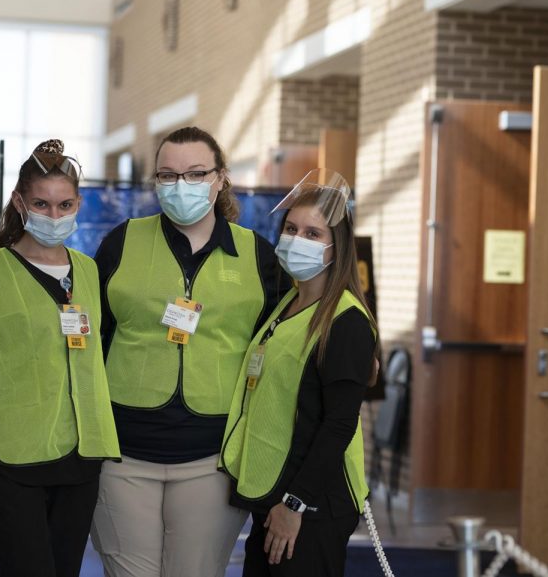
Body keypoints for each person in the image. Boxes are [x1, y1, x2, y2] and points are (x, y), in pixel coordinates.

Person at [90, 126, 290, 577]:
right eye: (168, 175)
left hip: (213, 459)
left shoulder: (257, 255)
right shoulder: (121, 243)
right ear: (155, 181)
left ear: (221, 178)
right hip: (122, 456)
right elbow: (92, 343)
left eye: (196, 173)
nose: (181, 185)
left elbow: (280, 351)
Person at [0, 140, 120, 577]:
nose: (54, 216)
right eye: (42, 204)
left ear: (78, 203)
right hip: (12, 463)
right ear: (19, 202)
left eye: (65, 205)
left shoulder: (88, 270)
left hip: (80, 461)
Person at [219, 169, 378, 576]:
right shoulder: (287, 302)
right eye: (291, 229)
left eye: (313, 234)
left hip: (311, 504)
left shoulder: (346, 321)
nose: (296, 240)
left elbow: (339, 423)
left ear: (336, 247)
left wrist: (295, 504)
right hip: (273, 493)